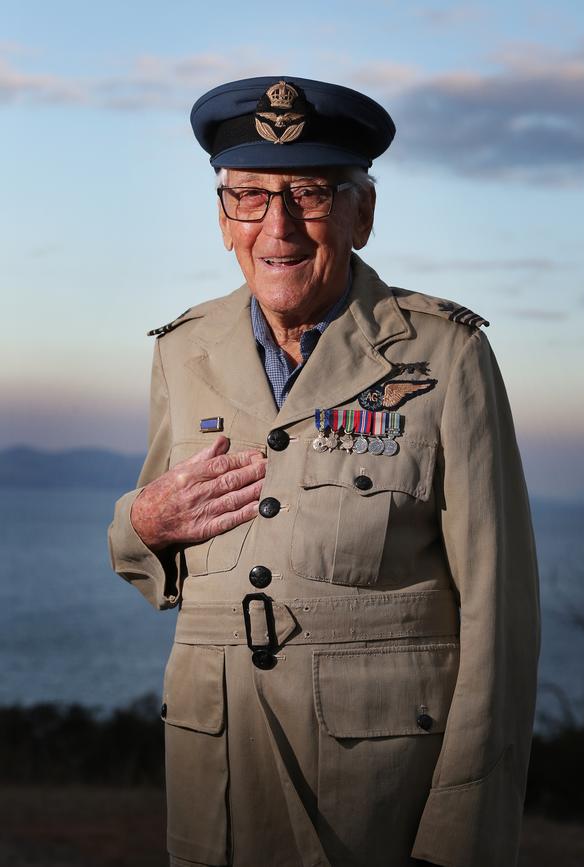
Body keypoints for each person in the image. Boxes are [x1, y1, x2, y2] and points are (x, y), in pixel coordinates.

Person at [108, 76, 540, 867]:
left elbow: (500, 618)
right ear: (223, 217)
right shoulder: (182, 349)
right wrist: (139, 525)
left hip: (375, 794)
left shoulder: (447, 354)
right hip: (217, 771)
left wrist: (460, 836)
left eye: (309, 192)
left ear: (361, 213)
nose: (278, 225)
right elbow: (153, 560)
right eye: (249, 196)